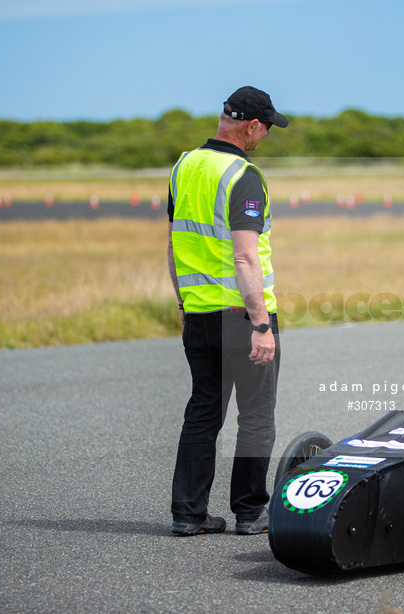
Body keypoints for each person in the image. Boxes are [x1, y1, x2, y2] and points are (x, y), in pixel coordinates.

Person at [167, 86, 288, 536]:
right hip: (242, 314)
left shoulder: (184, 166)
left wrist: (183, 301)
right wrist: (261, 323)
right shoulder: (244, 175)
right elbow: (245, 258)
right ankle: (250, 512)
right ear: (251, 126)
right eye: (267, 128)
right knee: (256, 415)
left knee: (203, 412)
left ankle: (188, 514)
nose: (266, 136)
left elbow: (174, 243)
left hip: (198, 313)